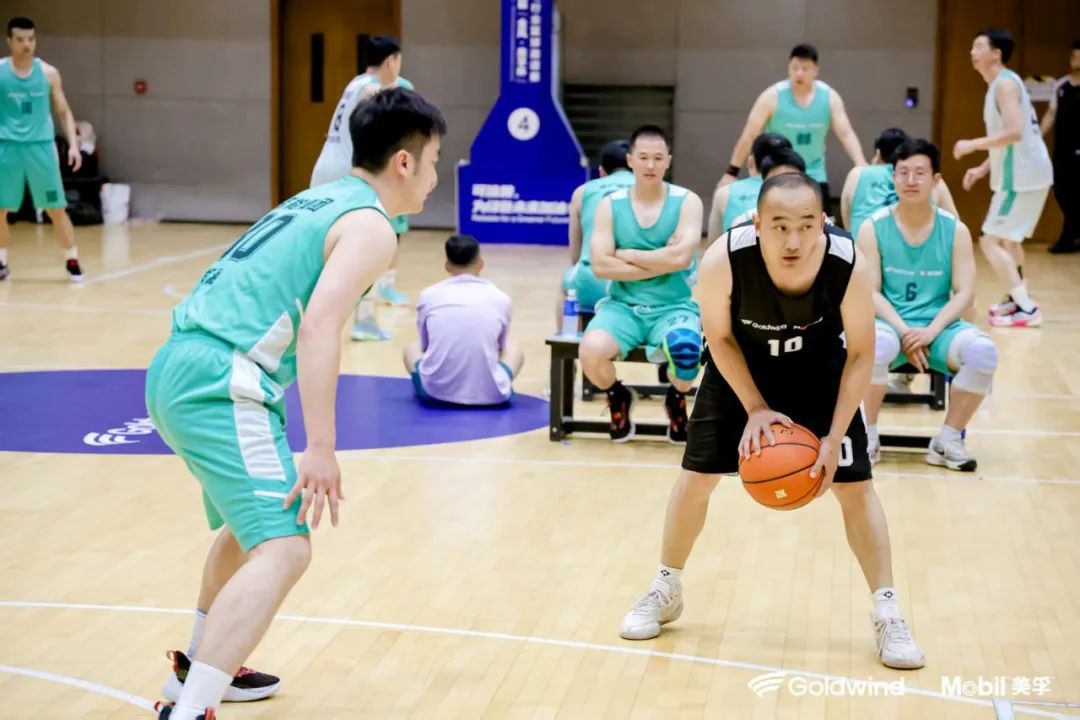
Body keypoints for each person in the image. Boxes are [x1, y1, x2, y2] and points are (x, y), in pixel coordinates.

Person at [146, 88, 446, 720]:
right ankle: (191, 708)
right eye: (435, 161)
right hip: (223, 379)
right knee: (286, 546)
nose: (436, 177)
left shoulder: (318, 198)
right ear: (404, 161)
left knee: (248, 526)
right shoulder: (372, 226)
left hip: (179, 364)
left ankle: (200, 667)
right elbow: (318, 327)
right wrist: (322, 447)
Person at [618, 172, 925, 670]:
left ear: (823, 222)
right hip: (741, 369)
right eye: (780, 225)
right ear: (757, 223)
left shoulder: (847, 262)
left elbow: (862, 355)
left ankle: (887, 611)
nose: (793, 240)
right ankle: (666, 587)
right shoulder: (723, 259)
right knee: (696, 479)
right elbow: (719, 339)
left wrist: (834, 437)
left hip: (819, 373)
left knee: (856, 490)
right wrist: (756, 409)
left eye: (806, 225)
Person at [857, 139, 997, 471]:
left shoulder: (955, 230)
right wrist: (906, 332)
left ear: (936, 180)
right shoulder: (872, 227)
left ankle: (948, 439)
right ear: (893, 177)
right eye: (903, 172)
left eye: (920, 173)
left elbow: (964, 292)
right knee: (874, 345)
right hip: (890, 326)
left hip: (939, 328)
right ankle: (867, 436)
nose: (910, 180)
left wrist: (931, 331)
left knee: (983, 352)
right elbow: (870, 293)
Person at [582, 125, 704, 444]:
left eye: (658, 158)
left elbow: (681, 259)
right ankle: (618, 395)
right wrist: (661, 260)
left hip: (673, 307)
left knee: (688, 353)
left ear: (668, 161)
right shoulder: (610, 204)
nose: (651, 165)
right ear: (630, 160)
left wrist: (627, 254)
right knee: (591, 352)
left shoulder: (687, 202)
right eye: (644, 157)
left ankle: (675, 398)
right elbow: (600, 265)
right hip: (622, 307)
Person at [310, 35, 415, 340]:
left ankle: (313, 314)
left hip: (324, 169)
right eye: (399, 60)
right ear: (391, 60)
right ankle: (364, 321)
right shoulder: (372, 89)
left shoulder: (354, 83)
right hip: (349, 174)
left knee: (325, 251)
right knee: (369, 247)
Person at [955, 28, 1053, 328]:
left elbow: (1014, 132)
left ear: (996, 54)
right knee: (1009, 241)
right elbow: (1011, 139)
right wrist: (983, 168)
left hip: (1020, 178)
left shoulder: (1005, 85)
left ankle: (1027, 308)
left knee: (989, 241)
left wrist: (972, 144)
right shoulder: (1002, 84)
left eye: (978, 46)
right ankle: (1016, 298)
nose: (972, 52)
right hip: (1028, 174)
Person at [719, 43, 867, 215]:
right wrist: (732, 172)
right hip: (777, 173)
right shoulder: (772, 96)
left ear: (816, 70)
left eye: (805, 68)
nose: (799, 73)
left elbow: (846, 133)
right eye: (794, 68)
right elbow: (750, 134)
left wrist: (860, 163)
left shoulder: (830, 98)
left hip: (814, 174)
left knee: (823, 225)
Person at [0, 16, 83, 282]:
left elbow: (64, 112)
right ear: (10, 41)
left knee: (55, 208)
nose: (27, 45)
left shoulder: (48, 73)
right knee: (0, 209)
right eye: (20, 40)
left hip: (40, 148)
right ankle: (1, 261)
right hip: (7, 147)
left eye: (31, 39)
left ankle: (72, 259)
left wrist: (74, 145)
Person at [405, 234, 523, 406]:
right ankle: (491, 384)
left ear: (447, 266)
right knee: (514, 350)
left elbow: (425, 345)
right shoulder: (501, 298)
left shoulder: (428, 295)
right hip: (493, 397)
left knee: (411, 348)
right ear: (480, 263)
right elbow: (500, 347)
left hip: (435, 394)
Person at [559, 139, 634, 328]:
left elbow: (576, 256)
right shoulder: (653, 191)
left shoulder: (583, 192)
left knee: (566, 287)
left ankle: (567, 339)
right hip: (638, 285)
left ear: (601, 171)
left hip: (592, 281)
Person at [706, 132, 791, 244]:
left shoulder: (724, 192)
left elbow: (713, 243)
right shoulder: (802, 192)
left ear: (751, 162)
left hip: (737, 253)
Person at [1040, 41, 1080, 254]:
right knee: (1062, 191)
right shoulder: (1061, 85)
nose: (1076, 61)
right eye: (1074, 56)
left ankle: (1068, 238)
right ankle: (1072, 234)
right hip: (1063, 149)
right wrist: (1037, 136)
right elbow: (1051, 113)